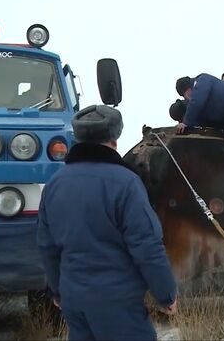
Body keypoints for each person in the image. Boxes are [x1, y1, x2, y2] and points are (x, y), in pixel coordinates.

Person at [37, 105, 177, 340]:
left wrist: (58, 290)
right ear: (113, 140)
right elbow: (146, 245)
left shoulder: (55, 184)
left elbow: (47, 246)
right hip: (118, 303)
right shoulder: (126, 183)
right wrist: (166, 294)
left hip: (74, 301)